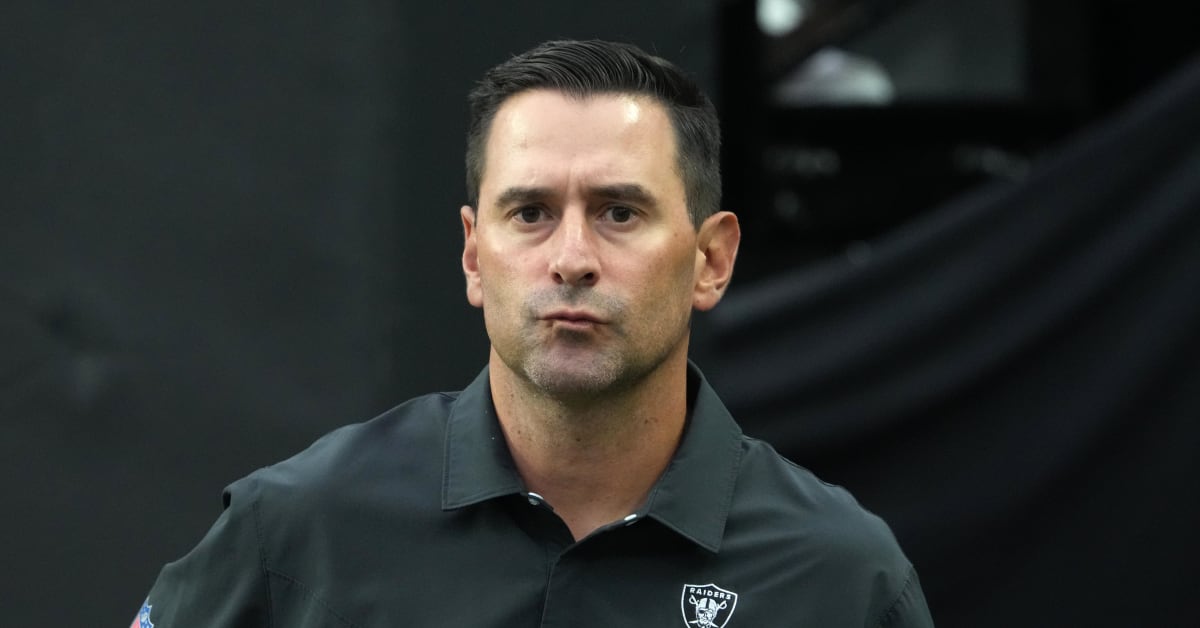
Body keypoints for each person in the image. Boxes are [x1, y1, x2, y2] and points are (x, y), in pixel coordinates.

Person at [131, 39, 934, 627]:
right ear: (475, 255)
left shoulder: (841, 580)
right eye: (531, 213)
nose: (573, 258)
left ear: (711, 260)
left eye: (620, 212)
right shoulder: (298, 533)